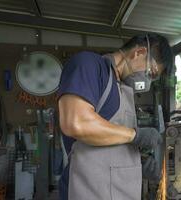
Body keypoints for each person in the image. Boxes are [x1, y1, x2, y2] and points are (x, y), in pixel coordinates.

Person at [57, 33, 174, 200]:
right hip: (89, 190)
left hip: (120, 190)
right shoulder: (89, 65)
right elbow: (77, 123)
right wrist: (136, 135)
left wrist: (140, 163)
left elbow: (114, 139)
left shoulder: (123, 89)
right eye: (151, 73)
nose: (148, 81)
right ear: (139, 53)